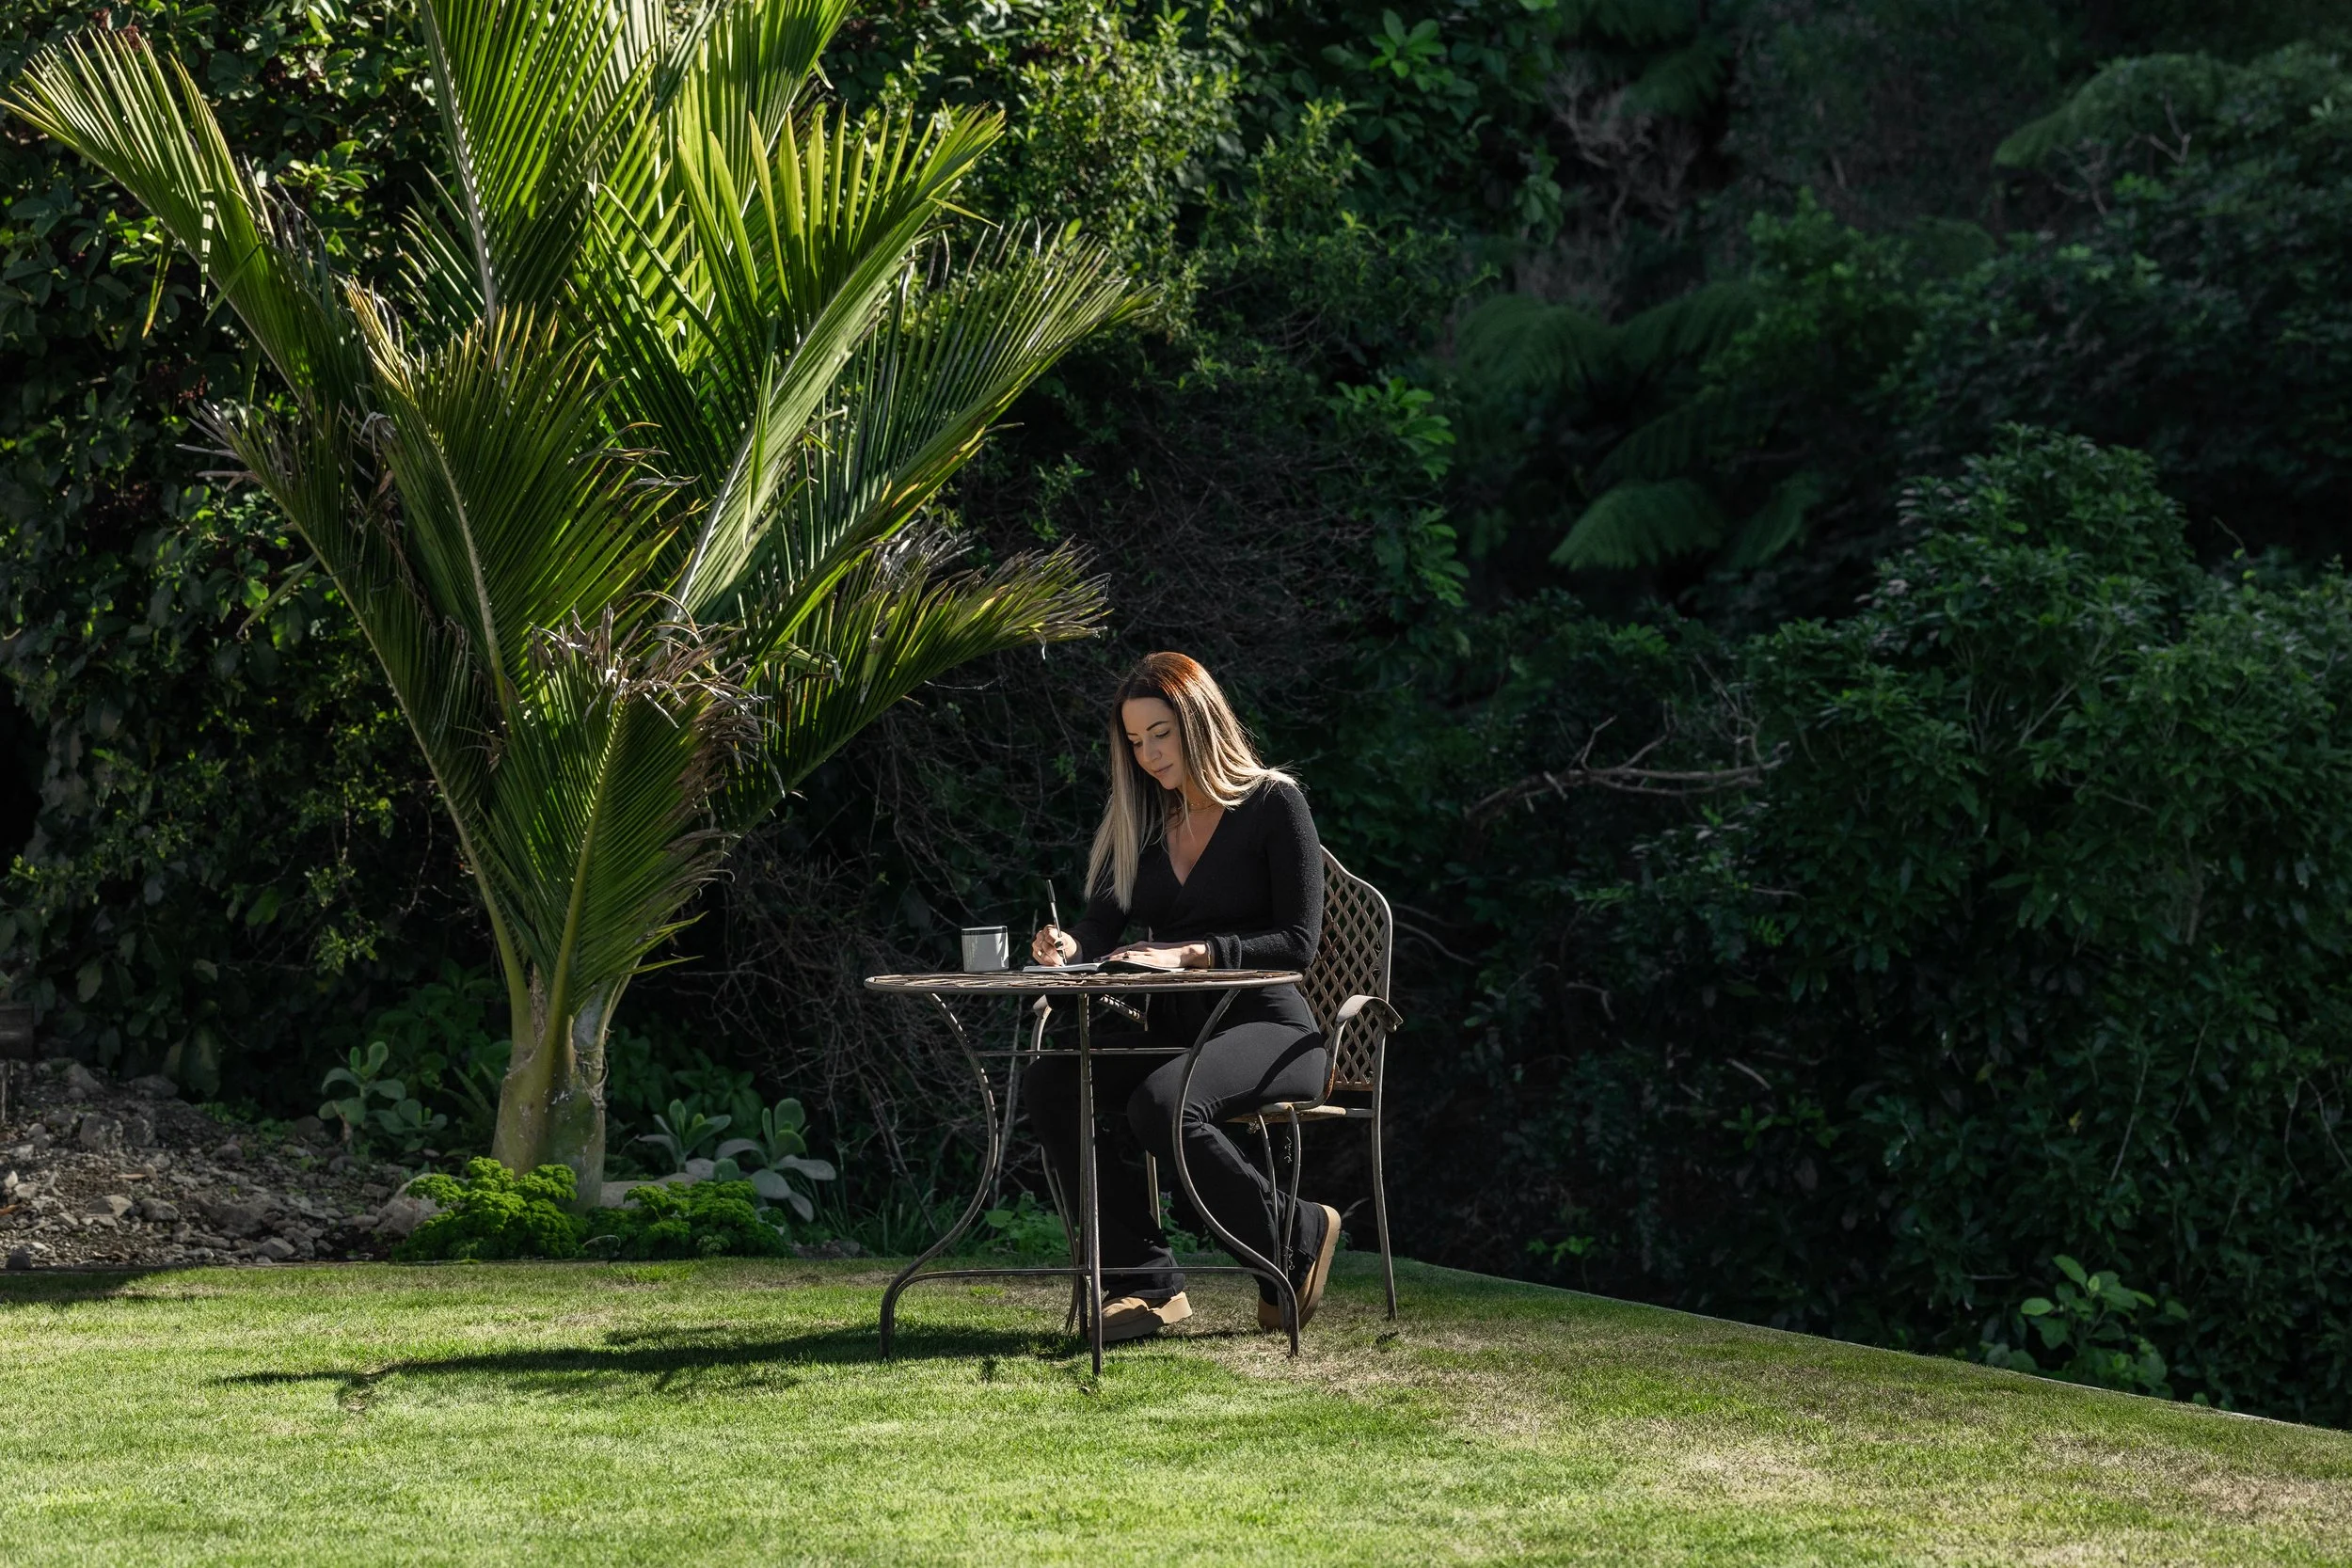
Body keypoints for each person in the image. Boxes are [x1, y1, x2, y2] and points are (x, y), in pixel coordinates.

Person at [1026, 650, 1340, 1343]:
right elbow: (1099, 928)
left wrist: (1194, 951)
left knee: (1163, 1104)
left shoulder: (1273, 803)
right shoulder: (1143, 820)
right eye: (1135, 740)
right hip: (1174, 1030)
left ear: (1199, 720)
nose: (1148, 754)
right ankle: (1144, 1283)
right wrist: (1067, 947)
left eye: (1160, 733)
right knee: (1055, 1081)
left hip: (1271, 1029)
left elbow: (1298, 941)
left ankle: (1297, 1234)